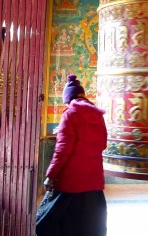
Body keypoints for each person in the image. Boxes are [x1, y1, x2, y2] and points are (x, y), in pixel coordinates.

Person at [38, 74, 108, 236]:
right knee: (89, 226)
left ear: (68, 98)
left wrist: (50, 175)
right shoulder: (97, 115)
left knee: (55, 224)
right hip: (93, 182)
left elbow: (62, 151)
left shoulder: (70, 114)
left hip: (71, 183)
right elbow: (103, 144)